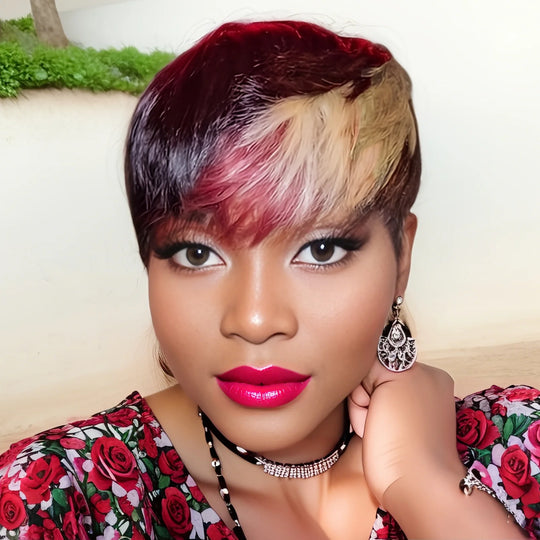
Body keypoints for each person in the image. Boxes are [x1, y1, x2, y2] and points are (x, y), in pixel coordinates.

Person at [0, 20, 539, 540]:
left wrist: (428, 486)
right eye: (196, 253)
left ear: (402, 258)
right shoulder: (51, 500)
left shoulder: (521, 444)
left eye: (321, 249)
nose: (255, 320)